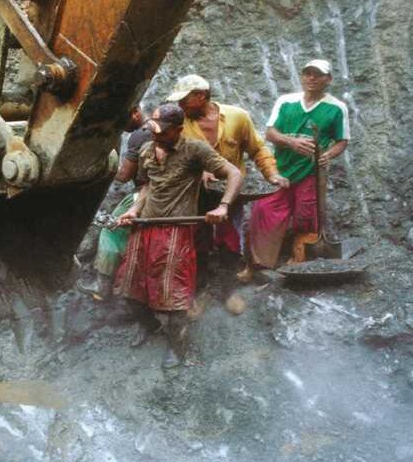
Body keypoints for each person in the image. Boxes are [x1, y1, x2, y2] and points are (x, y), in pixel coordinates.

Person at [116, 104, 242, 366]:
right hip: (145, 226)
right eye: (153, 130)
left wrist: (223, 206)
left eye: (162, 132)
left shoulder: (194, 150)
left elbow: (234, 173)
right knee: (131, 289)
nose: (156, 136)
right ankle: (149, 325)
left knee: (173, 296)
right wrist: (134, 209)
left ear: (177, 130)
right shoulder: (146, 149)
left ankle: (177, 346)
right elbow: (149, 185)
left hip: (176, 229)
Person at [166, 74, 290, 284]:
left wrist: (271, 174)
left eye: (184, 99)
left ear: (200, 96)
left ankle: (229, 285)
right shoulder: (179, 124)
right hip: (194, 192)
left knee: (230, 236)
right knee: (197, 236)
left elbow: (257, 149)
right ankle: (200, 283)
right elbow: (169, 154)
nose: (179, 104)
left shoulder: (237, 117)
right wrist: (197, 170)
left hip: (231, 190)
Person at [240, 59, 349, 279]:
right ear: (302, 76)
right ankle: (257, 264)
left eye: (318, 75)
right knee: (263, 211)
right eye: (308, 74)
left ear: (328, 79)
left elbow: (342, 141)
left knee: (306, 216)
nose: (311, 78)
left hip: (311, 173)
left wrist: (328, 155)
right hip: (281, 170)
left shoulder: (336, 108)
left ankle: (299, 261)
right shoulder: (286, 102)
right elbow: (270, 133)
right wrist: (292, 142)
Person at [76, 106, 148, 300]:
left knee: (111, 231)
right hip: (164, 192)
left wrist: (100, 167)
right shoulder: (160, 131)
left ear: (135, 113)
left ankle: (102, 287)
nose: (119, 128)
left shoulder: (140, 136)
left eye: (121, 122)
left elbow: (124, 176)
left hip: (147, 192)